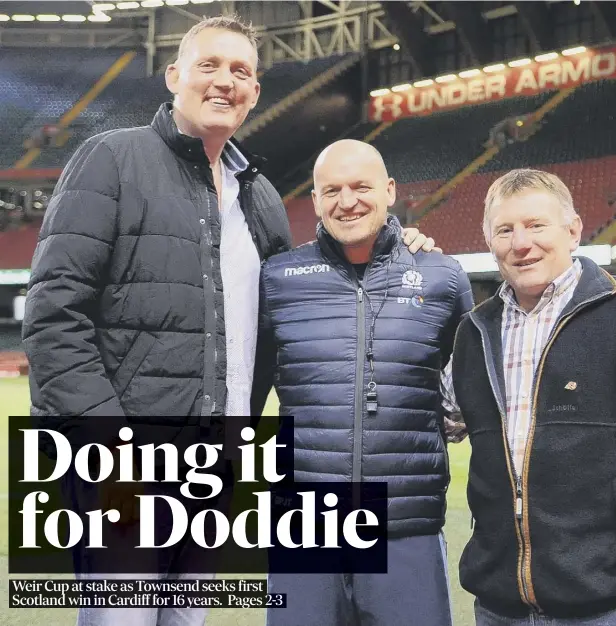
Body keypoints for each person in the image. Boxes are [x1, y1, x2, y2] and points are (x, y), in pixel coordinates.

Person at [22, 15, 435, 626]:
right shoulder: (112, 158)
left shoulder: (259, 194)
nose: (225, 81)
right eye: (208, 66)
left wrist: (399, 247)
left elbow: (312, 283)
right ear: (174, 77)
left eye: (241, 70)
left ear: (256, 91)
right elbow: (55, 314)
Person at [445, 169, 616, 626]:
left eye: (536, 225)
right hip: (498, 606)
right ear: (489, 240)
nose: (521, 243)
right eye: (505, 230)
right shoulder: (474, 331)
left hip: (605, 606)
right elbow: (434, 419)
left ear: (573, 230)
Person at [255, 139, 474, 626]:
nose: (347, 201)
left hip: (406, 524)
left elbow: (470, 388)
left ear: (390, 190)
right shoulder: (278, 279)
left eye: (361, 186)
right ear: (314, 201)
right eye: (331, 189)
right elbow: (244, 391)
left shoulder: (442, 276)